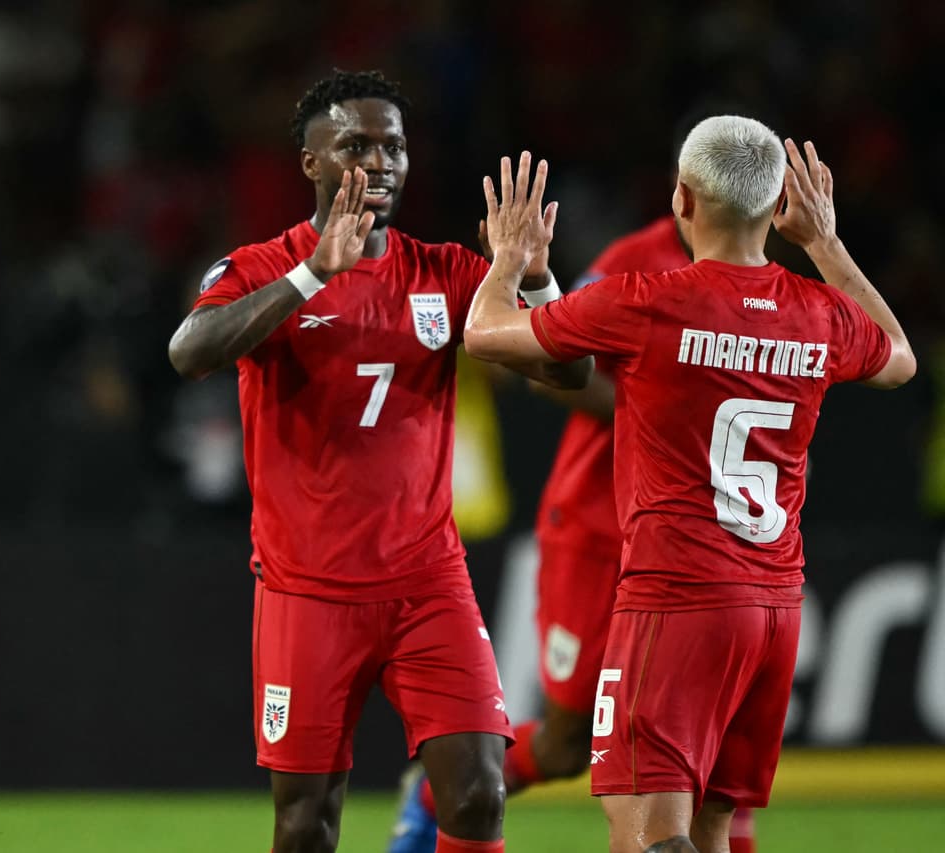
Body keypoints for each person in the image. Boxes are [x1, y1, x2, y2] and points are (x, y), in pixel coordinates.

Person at [462, 122, 914, 852]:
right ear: (778, 211)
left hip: (675, 601)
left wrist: (510, 260)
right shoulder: (819, 311)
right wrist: (826, 244)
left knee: (644, 834)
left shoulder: (650, 301)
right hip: (773, 609)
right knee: (712, 830)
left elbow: (486, 333)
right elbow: (898, 357)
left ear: (681, 197)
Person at [168, 69, 587, 853]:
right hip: (308, 591)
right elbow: (189, 352)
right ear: (311, 163)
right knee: (307, 825)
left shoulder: (448, 273)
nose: (382, 160)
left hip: (428, 583)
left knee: (479, 796)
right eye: (356, 145)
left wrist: (535, 277)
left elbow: (570, 374)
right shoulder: (264, 265)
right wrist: (312, 276)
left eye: (394, 145)